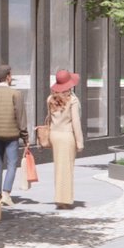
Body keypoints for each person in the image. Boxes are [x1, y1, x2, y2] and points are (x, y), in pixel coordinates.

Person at [0, 64, 29, 206]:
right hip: (11, 135)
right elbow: (21, 118)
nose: (12, 77)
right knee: (12, 163)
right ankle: (6, 194)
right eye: (11, 74)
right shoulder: (16, 94)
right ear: (8, 76)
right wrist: (25, 137)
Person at [43, 70, 86, 210]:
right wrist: (80, 142)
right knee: (67, 168)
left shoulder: (50, 99)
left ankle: (59, 198)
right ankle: (64, 200)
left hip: (54, 135)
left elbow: (49, 118)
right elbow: (76, 122)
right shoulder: (72, 100)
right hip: (67, 136)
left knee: (58, 168)